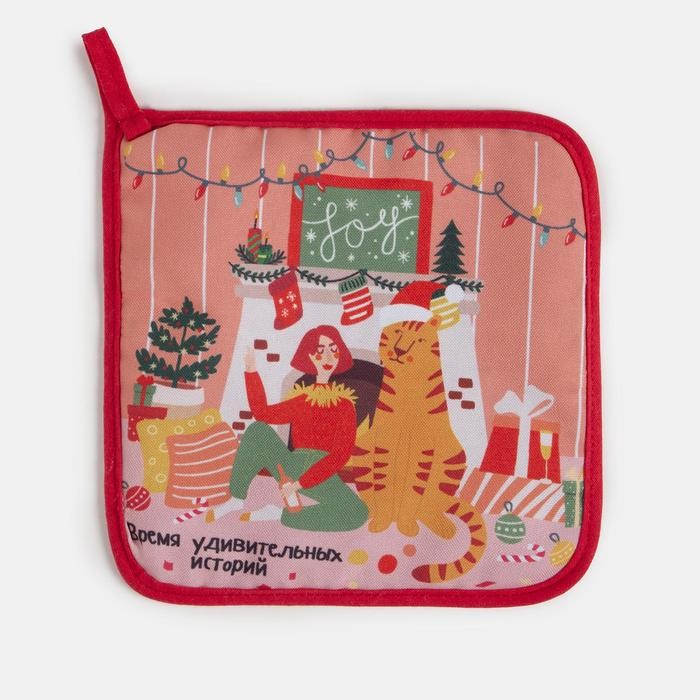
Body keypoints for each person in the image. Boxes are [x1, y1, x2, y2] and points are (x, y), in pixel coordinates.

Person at [206, 325, 368, 532]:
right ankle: (236, 497)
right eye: (320, 350)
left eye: (333, 349)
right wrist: (251, 371)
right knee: (258, 430)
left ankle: (282, 515)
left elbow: (341, 454)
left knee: (356, 513)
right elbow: (262, 413)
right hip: (292, 464)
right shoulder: (302, 401)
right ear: (310, 356)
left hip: (321, 472)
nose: (328, 356)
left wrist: (299, 484)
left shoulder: (345, 406)